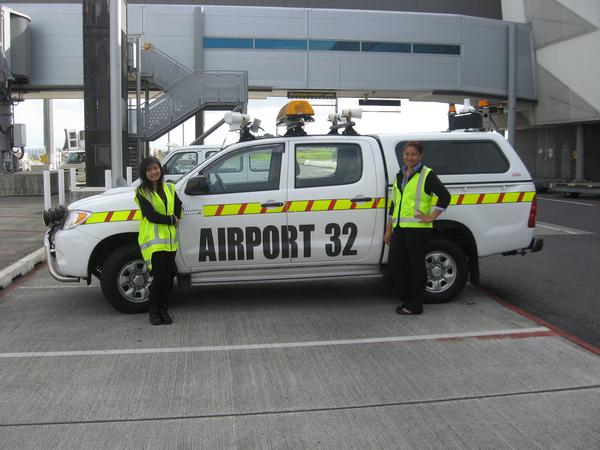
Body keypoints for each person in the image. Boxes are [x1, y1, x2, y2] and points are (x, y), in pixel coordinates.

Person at [384, 141, 451, 315]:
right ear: (403, 155)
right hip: (400, 227)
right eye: (407, 154)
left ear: (420, 156)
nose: (410, 157)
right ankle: (407, 299)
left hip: (418, 228)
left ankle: (415, 305)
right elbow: (394, 203)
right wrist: (388, 229)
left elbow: (445, 196)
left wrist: (431, 217)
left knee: (415, 266)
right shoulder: (400, 174)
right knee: (396, 263)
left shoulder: (427, 174)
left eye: (414, 154)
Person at [135, 156, 182, 325]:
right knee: (160, 277)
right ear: (144, 173)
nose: (153, 172)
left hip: (170, 240)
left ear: (160, 169)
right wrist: (171, 220)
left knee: (169, 276)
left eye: (155, 168)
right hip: (154, 241)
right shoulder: (142, 192)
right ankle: (153, 310)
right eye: (149, 170)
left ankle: (164, 308)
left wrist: (176, 216)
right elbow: (150, 215)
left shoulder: (169, 187)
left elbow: (178, 204)